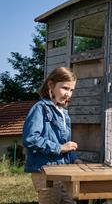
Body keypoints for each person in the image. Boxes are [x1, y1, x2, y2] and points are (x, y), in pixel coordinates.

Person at [23, 67, 81, 204]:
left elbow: (64, 142)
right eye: (65, 88)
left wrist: (74, 158)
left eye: (72, 90)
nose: (68, 94)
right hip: (45, 171)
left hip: (64, 170)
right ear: (51, 85)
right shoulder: (40, 108)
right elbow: (30, 138)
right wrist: (59, 148)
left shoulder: (63, 112)